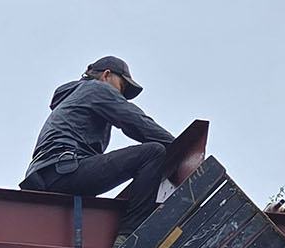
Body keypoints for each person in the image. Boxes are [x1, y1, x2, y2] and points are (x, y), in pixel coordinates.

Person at [21, 56, 173, 213]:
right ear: (106, 75)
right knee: (153, 152)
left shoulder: (74, 97)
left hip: (46, 176)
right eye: (121, 87)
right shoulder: (96, 89)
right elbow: (137, 123)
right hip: (66, 169)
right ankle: (131, 232)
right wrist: (179, 145)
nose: (120, 95)